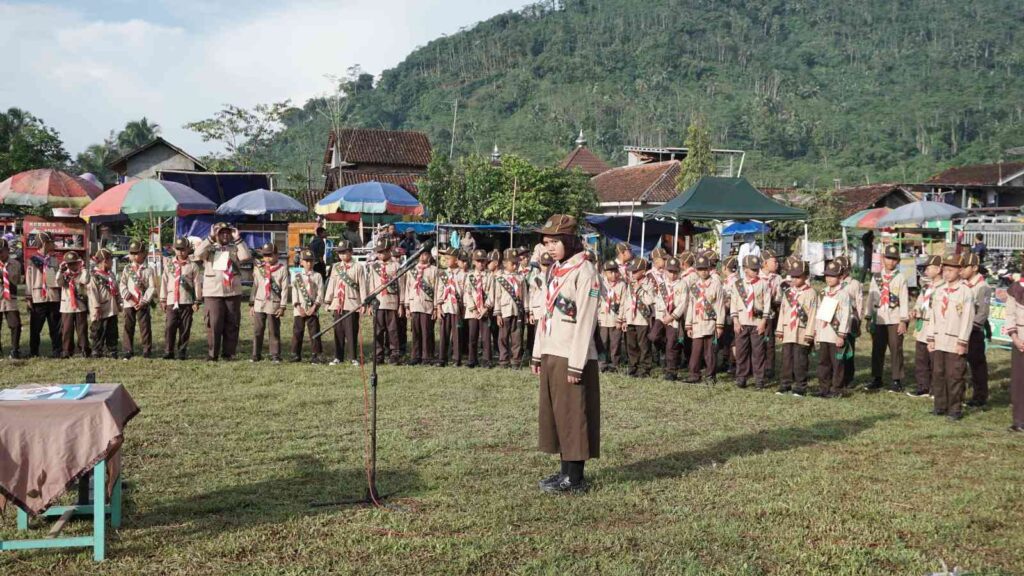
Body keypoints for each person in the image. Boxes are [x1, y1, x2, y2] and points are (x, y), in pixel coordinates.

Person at [530, 214, 601, 494]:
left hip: (572, 354)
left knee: (573, 415)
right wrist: (538, 353)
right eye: (546, 242)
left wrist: (576, 364)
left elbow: (586, 321)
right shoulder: (556, 270)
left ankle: (575, 478)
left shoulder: (585, 271)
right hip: (552, 349)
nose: (550, 248)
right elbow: (545, 314)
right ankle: (564, 473)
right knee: (558, 416)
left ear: (570, 241)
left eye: (555, 242)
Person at [926, 254, 974, 421]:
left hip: (955, 340)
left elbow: (967, 318)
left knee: (954, 375)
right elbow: (933, 316)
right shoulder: (939, 291)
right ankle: (940, 405)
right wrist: (930, 337)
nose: (947, 273)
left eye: (951, 270)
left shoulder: (965, 292)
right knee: (938, 373)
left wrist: (962, 341)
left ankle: (955, 409)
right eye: (945, 270)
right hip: (939, 339)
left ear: (960, 271)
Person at [196, 222, 252, 361]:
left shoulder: (235, 247)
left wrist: (238, 238)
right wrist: (210, 237)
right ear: (216, 234)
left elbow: (245, 257)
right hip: (213, 292)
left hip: (232, 291)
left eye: (227, 232)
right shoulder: (210, 247)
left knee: (232, 323)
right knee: (214, 324)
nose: (225, 235)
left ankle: (229, 353)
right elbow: (198, 254)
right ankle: (212, 354)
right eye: (221, 233)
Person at [866, 245, 909, 392]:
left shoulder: (900, 278)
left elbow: (904, 299)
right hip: (879, 318)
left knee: (896, 349)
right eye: (888, 258)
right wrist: (868, 316)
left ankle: (897, 380)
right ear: (883, 258)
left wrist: (903, 320)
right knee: (877, 349)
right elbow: (871, 297)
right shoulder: (876, 277)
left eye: (894, 259)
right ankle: (876, 378)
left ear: (898, 261)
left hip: (895, 318)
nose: (891, 262)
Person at [775, 258, 817, 396]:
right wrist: (780, 329)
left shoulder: (811, 293)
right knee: (786, 359)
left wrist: (810, 333)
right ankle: (785, 384)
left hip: (802, 331)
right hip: (788, 330)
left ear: (806, 276)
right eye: (792, 276)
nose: (794, 279)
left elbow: (813, 314)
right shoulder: (788, 292)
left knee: (800, 360)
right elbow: (783, 311)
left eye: (798, 276)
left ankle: (800, 386)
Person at [730, 255, 772, 389]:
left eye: (757, 269)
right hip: (742, 321)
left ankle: (759, 378)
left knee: (758, 352)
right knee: (741, 352)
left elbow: (767, 303)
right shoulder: (738, 284)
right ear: (745, 269)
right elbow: (733, 303)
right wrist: (735, 321)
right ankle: (741, 377)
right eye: (753, 269)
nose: (756, 271)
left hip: (757, 322)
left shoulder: (763, 284)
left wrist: (764, 321)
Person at [160, 237, 202, 360]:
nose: (180, 252)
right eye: (178, 249)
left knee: (185, 327)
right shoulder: (169, 265)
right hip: (171, 301)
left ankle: (182, 351)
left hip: (186, 300)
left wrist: (197, 301)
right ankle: (168, 351)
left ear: (188, 249)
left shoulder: (193, 266)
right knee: (170, 326)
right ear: (174, 249)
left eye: (183, 249)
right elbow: (164, 282)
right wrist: (163, 299)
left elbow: (197, 284)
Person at [686, 254, 726, 384]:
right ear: (696, 270)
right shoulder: (694, 286)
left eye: (705, 269)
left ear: (709, 269)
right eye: (700, 269)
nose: (703, 272)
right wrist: (688, 324)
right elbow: (691, 306)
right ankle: (694, 375)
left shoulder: (716, 285)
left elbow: (720, 305)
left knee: (710, 352)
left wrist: (719, 325)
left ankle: (710, 376)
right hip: (697, 323)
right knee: (696, 351)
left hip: (710, 323)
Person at [324, 240, 364, 366]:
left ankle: (353, 357)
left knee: (351, 331)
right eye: (339, 253)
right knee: (338, 331)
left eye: (344, 252)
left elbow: (363, 286)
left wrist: (364, 303)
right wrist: (328, 301)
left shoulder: (358, 267)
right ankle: (338, 357)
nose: (341, 255)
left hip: (351, 303)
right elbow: (332, 284)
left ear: (351, 252)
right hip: (338, 303)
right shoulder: (336, 267)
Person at [908, 255, 943, 398]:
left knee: (935, 360)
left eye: (929, 268)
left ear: (938, 269)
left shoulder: (944, 288)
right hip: (922, 326)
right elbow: (920, 303)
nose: (926, 271)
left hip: (935, 327)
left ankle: (936, 389)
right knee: (921, 358)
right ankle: (923, 387)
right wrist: (915, 310)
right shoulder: (927, 287)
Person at [366, 237, 404, 364]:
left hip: (392, 302)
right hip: (378, 303)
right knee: (377, 330)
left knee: (393, 331)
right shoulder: (374, 266)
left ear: (389, 251)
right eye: (378, 252)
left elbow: (401, 286)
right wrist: (370, 304)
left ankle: (394, 354)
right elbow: (371, 285)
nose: (380, 254)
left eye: (382, 251)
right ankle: (378, 355)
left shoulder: (396, 266)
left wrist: (401, 304)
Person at [816, 260, 851, 398]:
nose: (829, 278)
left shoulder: (843, 294)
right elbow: (819, 314)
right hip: (824, 333)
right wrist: (817, 332)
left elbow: (846, 315)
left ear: (840, 277)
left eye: (833, 276)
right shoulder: (823, 292)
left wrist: (841, 334)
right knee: (823, 362)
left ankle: (837, 389)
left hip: (835, 335)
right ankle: (824, 388)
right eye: (827, 275)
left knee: (837, 363)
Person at [250, 242, 290, 363]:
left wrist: (282, 306)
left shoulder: (282, 269)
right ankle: (256, 354)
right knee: (258, 330)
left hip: (274, 304)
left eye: (270, 255)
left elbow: (285, 289)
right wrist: (252, 303)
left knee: (274, 331)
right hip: (259, 303)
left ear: (277, 255)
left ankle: (275, 355)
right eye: (265, 255)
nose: (267, 258)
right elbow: (255, 286)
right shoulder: (259, 268)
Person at [961, 253, 991, 408]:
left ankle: (980, 397)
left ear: (974, 268)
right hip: (960, 329)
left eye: (965, 267)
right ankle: (959, 394)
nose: (961, 270)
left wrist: (971, 327)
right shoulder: (962, 284)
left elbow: (983, 312)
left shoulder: (982, 287)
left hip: (974, 331)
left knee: (977, 364)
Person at [25, 232, 62, 358]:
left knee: (55, 326)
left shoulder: (54, 260)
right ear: (45, 243)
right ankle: (34, 351)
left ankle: (57, 350)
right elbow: (29, 280)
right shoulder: (32, 261)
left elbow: (53, 280)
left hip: (52, 297)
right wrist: (28, 297)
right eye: (52, 242)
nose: (53, 244)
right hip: (38, 297)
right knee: (35, 328)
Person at [119, 241, 156, 359]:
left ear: (143, 253)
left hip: (142, 302)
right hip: (129, 302)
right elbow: (122, 284)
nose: (134, 256)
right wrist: (128, 298)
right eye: (132, 253)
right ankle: (128, 350)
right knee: (128, 326)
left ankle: (147, 350)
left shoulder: (149, 269)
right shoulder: (127, 269)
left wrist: (144, 301)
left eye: (136, 253)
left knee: (145, 327)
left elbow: (151, 287)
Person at [619, 258, 653, 378]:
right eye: (631, 271)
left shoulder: (649, 284)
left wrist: (639, 289)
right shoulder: (630, 284)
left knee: (643, 345)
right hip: (630, 318)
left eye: (635, 271)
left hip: (642, 319)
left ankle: (645, 369)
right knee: (631, 345)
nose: (632, 274)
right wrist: (624, 319)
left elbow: (650, 300)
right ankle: (633, 366)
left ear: (643, 271)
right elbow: (626, 301)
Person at [291, 248, 325, 364]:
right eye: (306, 261)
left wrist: (314, 307)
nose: (309, 263)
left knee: (314, 332)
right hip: (300, 309)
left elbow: (320, 293)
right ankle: (295, 354)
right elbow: (294, 292)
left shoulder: (318, 276)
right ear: (301, 262)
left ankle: (316, 354)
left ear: (314, 262)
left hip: (312, 309)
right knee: (297, 332)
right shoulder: (297, 276)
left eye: (311, 261)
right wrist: (298, 307)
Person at [404, 248, 437, 366]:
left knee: (427, 331)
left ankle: (427, 356)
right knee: (415, 331)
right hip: (414, 304)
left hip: (427, 304)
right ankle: (415, 355)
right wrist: (407, 305)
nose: (422, 256)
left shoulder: (434, 270)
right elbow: (408, 287)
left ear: (429, 256)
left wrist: (436, 307)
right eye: (420, 254)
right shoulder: (411, 270)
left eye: (425, 254)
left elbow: (437, 289)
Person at [659, 257, 689, 382]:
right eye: (670, 271)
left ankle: (671, 371)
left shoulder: (682, 284)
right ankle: (663, 355)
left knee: (672, 345)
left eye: (675, 272)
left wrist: (672, 316)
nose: (672, 275)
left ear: (679, 272)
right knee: (654, 336)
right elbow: (659, 300)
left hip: (675, 319)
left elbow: (683, 303)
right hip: (662, 317)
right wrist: (664, 314)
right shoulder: (662, 285)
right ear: (666, 271)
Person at [463, 249, 495, 368]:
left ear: (486, 262)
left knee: (486, 337)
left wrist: (485, 308)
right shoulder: (469, 276)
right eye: (478, 261)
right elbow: (467, 293)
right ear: (473, 262)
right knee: (472, 336)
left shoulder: (490, 276)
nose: (480, 263)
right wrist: (474, 309)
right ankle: (472, 359)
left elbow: (492, 293)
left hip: (485, 311)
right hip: (473, 311)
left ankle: (487, 360)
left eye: (482, 261)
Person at [495, 248, 526, 369]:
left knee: (516, 337)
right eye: (512, 263)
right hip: (505, 311)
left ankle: (516, 360)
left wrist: (526, 311)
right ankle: (503, 359)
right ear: (504, 263)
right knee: (503, 337)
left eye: (516, 263)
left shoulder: (521, 278)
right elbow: (497, 297)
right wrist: (498, 314)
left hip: (517, 311)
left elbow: (525, 296)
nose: (515, 265)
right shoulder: (500, 278)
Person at [87, 248, 121, 358]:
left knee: (112, 330)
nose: (112, 262)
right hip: (100, 308)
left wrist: (119, 302)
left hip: (112, 308)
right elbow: (93, 293)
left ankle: (111, 349)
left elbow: (116, 289)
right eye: (111, 259)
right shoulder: (94, 276)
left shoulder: (111, 275)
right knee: (98, 330)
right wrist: (96, 307)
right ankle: (97, 350)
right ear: (105, 261)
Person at [836, 255, 864, 388]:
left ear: (848, 269)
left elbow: (859, 302)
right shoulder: (834, 282)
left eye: (842, 268)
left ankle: (848, 377)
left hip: (850, 320)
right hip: (835, 320)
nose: (840, 271)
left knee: (848, 349)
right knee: (836, 349)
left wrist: (859, 321)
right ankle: (837, 376)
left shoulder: (854, 284)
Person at [1003, 267, 1024, 432]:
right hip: (1020, 341)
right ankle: (1019, 420)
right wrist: (1015, 338)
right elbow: (1010, 315)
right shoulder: (1015, 289)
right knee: (1019, 381)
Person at [435, 247, 464, 367]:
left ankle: (457, 359)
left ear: (456, 260)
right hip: (445, 307)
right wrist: (438, 308)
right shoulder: (443, 274)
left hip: (457, 308)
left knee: (457, 335)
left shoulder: (462, 274)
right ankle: (442, 358)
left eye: (448, 258)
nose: (446, 260)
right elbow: (439, 291)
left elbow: (464, 291)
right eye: (445, 258)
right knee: (443, 334)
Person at [58, 251, 89, 358]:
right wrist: (60, 270)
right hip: (67, 306)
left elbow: (85, 280)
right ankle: (67, 350)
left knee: (82, 329)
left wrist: (84, 268)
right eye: (69, 264)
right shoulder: (64, 274)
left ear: (78, 263)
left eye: (74, 263)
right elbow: (58, 282)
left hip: (80, 305)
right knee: (67, 330)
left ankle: (84, 348)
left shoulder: (81, 273)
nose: (72, 266)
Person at [597, 260, 625, 372]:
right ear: (605, 273)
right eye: (610, 272)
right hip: (602, 318)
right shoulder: (601, 283)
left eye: (615, 272)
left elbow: (623, 303)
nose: (613, 275)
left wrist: (620, 319)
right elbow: (596, 300)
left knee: (615, 343)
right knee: (602, 342)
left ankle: (615, 364)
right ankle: (602, 364)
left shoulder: (622, 285)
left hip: (615, 319)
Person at [760, 249, 783, 380]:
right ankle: (757, 366)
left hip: (772, 313)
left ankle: (769, 368)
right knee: (758, 341)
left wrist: (776, 299)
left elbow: (780, 296)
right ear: (765, 263)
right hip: (757, 314)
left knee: (769, 341)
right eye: (774, 261)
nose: (777, 263)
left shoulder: (778, 278)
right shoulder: (757, 277)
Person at [0, 239, 23, 358]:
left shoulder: (16, 264)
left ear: (8, 250)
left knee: (16, 324)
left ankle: (15, 349)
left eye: (2, 251)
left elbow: (17, 280)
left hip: (10, 298)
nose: (0, 254)